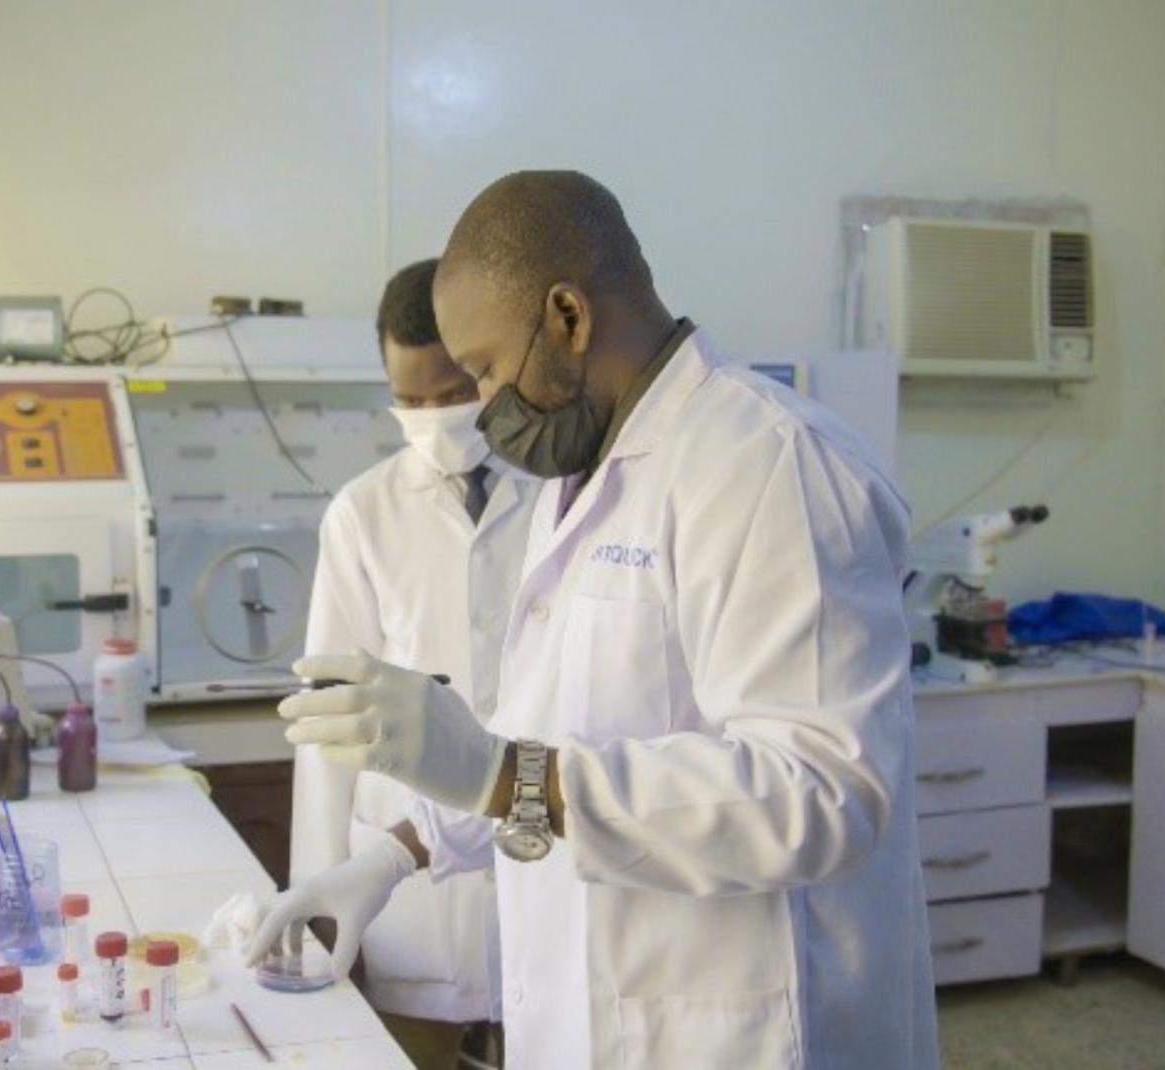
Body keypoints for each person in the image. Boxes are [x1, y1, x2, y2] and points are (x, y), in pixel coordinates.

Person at [249, 172, 939, 1068]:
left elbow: (821, 790)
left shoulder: (768, 466)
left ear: (568, 315)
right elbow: (546, 732)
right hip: (603, 1011)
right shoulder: (573, 486)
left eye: (488, 371)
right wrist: (396, 854)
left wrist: (505, 778)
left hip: (748, 1025)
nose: (486, 413)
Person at [290, 258, 539, 1068]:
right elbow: (331, 721)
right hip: (407, 887)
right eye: (410, 402)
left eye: (451, 396)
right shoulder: (363, 515)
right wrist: (315, 894)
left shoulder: (566, 489)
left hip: (542, 855)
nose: (433, 418)